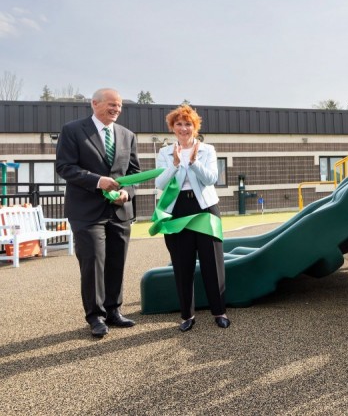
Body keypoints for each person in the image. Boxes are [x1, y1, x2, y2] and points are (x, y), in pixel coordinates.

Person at [55, 88, 140, 338]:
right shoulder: (72, 130)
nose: (116, 109)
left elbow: (134, 172)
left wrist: (127, 192)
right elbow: (64, 166)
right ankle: (96, 316)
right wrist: (97, 181)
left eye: (120, 106)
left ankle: (114, 311)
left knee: (116, 261)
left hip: (119, 211)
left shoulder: (127, 135)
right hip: (86, 211)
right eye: (111, 105)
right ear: (94, 103)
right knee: (92, 263)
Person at [155, 105, 230, 331]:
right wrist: (176, 165)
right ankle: (187, 316)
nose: (184, 128)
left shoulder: (207, 150)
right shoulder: (164, 153)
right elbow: (160, 183)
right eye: (179, 124)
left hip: (205, 207)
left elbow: (211, 179)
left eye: (188, 124)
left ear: (195, 127)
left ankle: (220, 311)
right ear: (173, 127)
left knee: (212, 262)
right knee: (182, 263)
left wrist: (194, 161)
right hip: (177, 210)